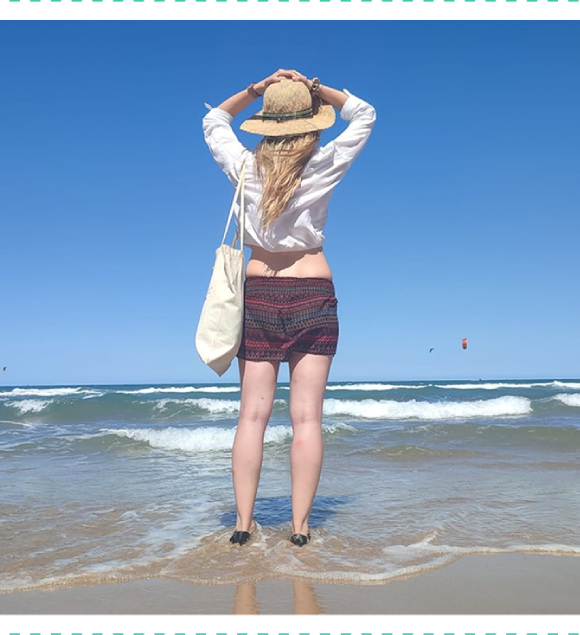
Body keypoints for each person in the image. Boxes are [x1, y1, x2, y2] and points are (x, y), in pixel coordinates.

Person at [202, 69, 376, 547]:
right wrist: (320, 89)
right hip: (313, 294)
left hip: (258, 294)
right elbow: (364, 114)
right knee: (307, 419)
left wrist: (255, 89)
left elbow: (215, 120)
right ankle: (299, 530)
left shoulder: (243, 167)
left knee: (251, 417)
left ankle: (242, 526)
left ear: (266, 124)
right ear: (310, 124)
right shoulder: (323, 163)